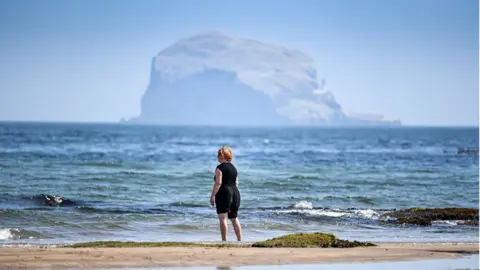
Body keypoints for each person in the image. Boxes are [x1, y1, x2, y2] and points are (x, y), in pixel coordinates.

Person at [210, 146, 242, 241]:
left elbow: (218, 183)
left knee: (223, 218)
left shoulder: (219, 168)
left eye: (219, 155)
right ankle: (239, 240)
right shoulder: (234, 168)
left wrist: (212, 196)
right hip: (235, 192)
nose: (217, 157)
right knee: (234, 218)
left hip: (224, 193)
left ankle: (224, 240)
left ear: (223, 156)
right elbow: (236, 183)